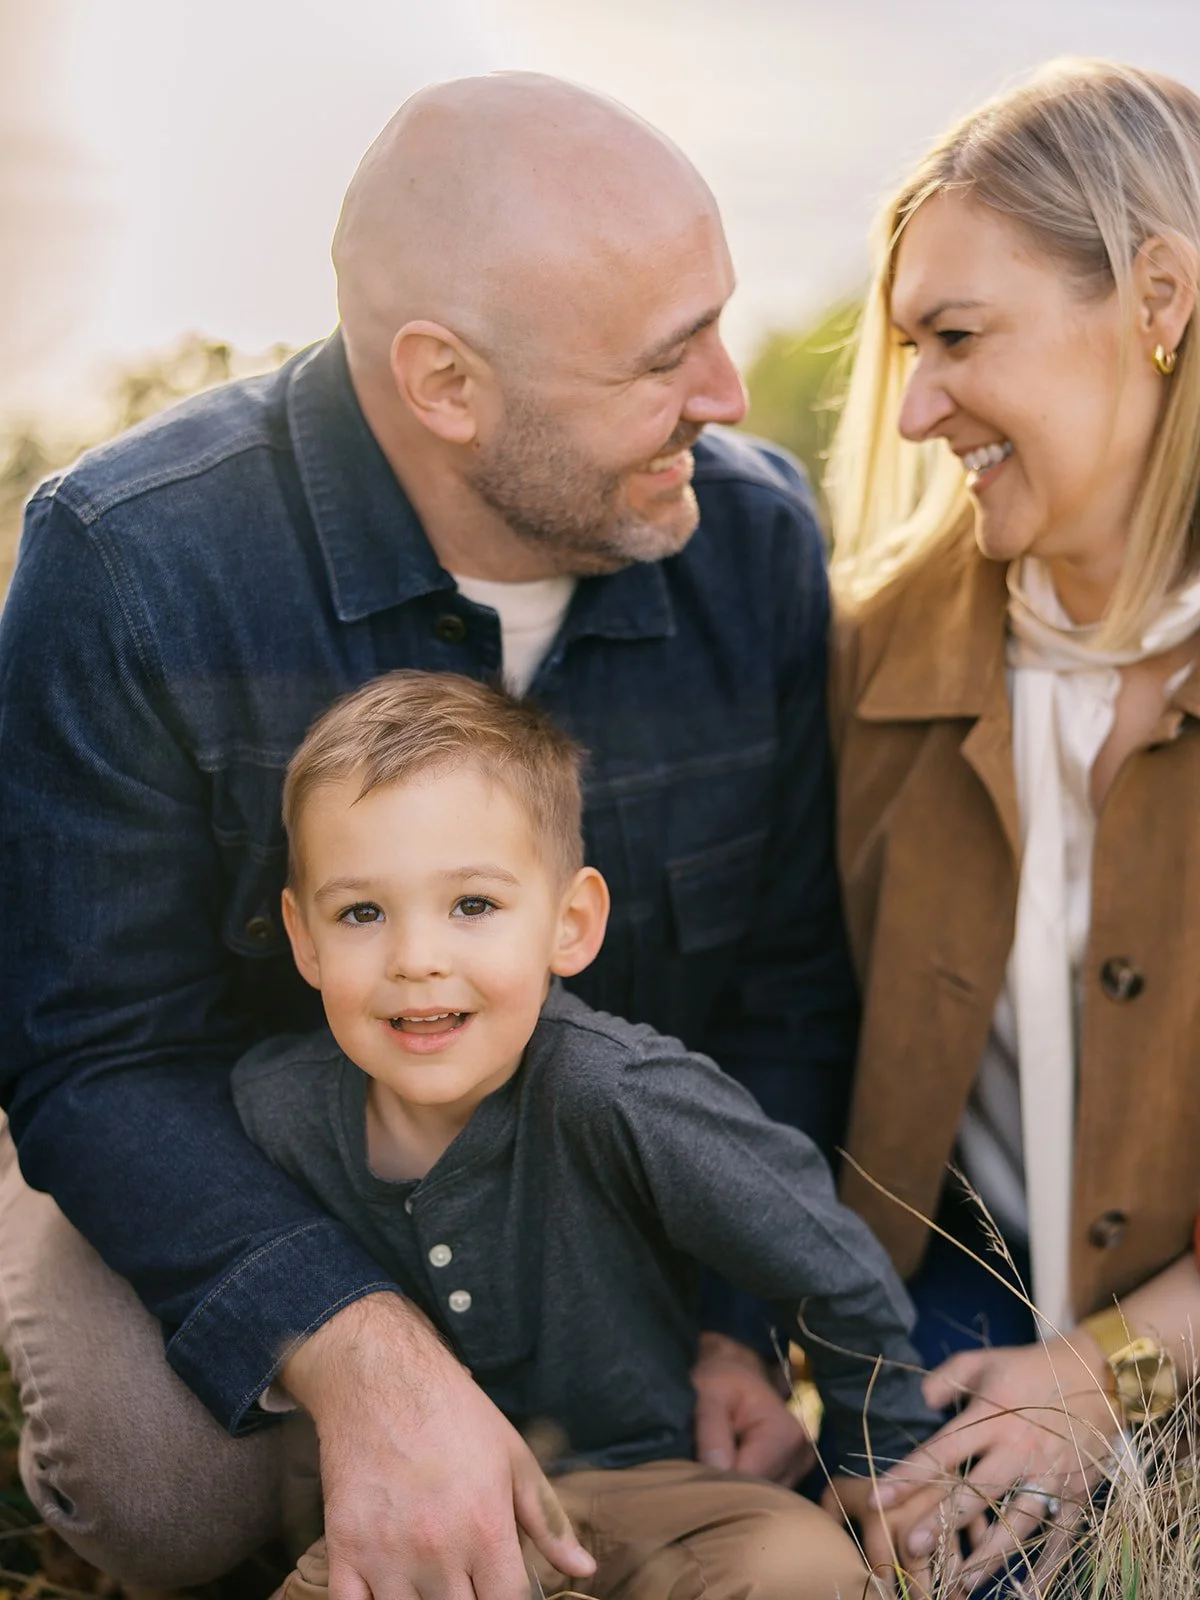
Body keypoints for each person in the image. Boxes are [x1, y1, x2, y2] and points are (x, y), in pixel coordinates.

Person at [0, 73, 856, 1598]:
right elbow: (97, 1053)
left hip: (582, 1189)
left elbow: (786, 985)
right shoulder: (128, 563)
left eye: (718, 324)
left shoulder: (758, 547)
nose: (728, 393)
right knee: (160, 1485)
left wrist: (736, 1319)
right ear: (446, 383)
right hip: (242, 1163)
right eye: (664, 358)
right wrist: (356, 1352)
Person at [232, 668, 936, 1600]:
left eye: (473, 905)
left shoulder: (622, 1094)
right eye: (362, 912)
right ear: (304, 938)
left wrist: (889, 1465)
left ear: (570, 923)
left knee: (801, 1570)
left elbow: (826, 1262)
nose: (416, 959)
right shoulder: (270, 1111)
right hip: (416, 1512)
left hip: (644, 1492)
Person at [822, 56, 1200, 1596]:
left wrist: (1113, 1372)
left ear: (1160, 298)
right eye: (908, 349)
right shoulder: (869, 654)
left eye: (961, 338)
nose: (916, 408)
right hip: (956, 1324)